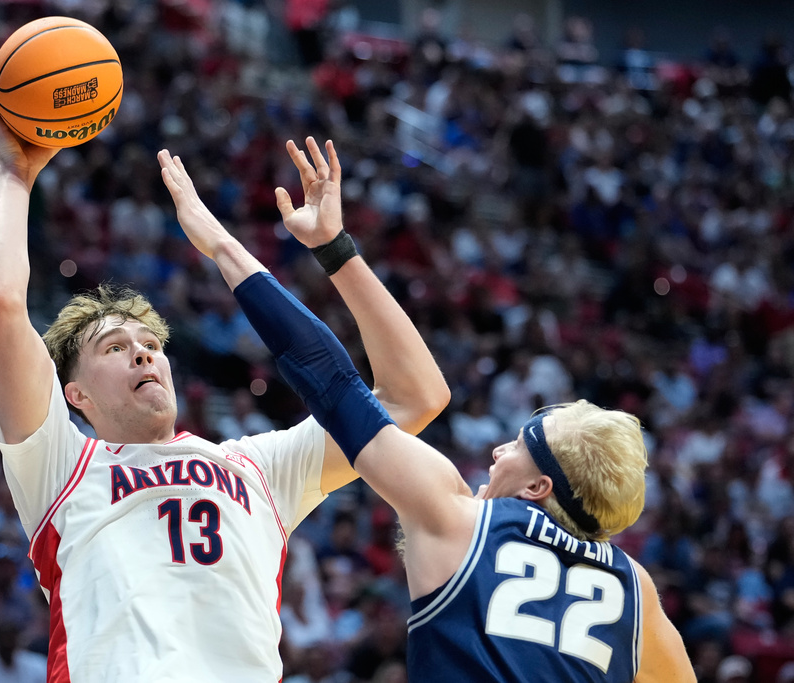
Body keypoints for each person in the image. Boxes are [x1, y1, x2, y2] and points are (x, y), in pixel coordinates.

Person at [157, 141, 697, 682]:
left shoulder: (460, 519)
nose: (498, 449)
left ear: (539, 488)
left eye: (520, 446)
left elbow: (332, 382)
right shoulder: (636, 589)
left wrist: (226, 246)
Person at [0, 70, 449, 682]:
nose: (143, 354)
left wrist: (330, 250)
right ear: (76, 395)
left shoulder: (258, 466)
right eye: (116, 348)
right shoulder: (61, 464)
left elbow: (414, 397)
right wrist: (17, 174)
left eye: (150, 343)